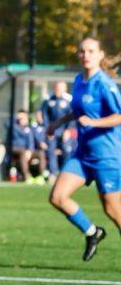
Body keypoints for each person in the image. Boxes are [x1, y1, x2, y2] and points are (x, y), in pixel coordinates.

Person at [47, 36, 121, 262]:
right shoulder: (79, 80)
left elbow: (119, 116)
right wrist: (58, 123)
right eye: (82, 51)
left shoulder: (104, 84)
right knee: (58, 197)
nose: (85, 55)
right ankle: (92, 232)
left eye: (91, 51)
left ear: (100, 55)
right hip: (83, 155)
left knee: (113, 211)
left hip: (107, 156)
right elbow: (79, 111)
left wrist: (94, 122)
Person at [41, 80, 76, 182]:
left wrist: (68, 130)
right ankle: (53, 173)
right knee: (51, 151)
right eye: (57, 88)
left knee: (67, 150)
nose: (58, 90)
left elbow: (72, 116)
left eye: (60, 88)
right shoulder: (48, 100)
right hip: (53, 131)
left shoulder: (69, 100)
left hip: (65, 130)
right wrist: (48, 129)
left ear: (65, 89)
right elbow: (45, 116)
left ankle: (65, 173)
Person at [8, 109, 37, 183]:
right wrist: (16, 117)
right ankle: (26, 176)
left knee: (41, 154)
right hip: (14, 148)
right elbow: (6, 123)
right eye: (20, 117)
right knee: (23, 152)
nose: (22, 119)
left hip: (25, 151)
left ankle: (41, 176)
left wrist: (30, 151)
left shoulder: (28, 128)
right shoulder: (14, 125)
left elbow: (31, 141)